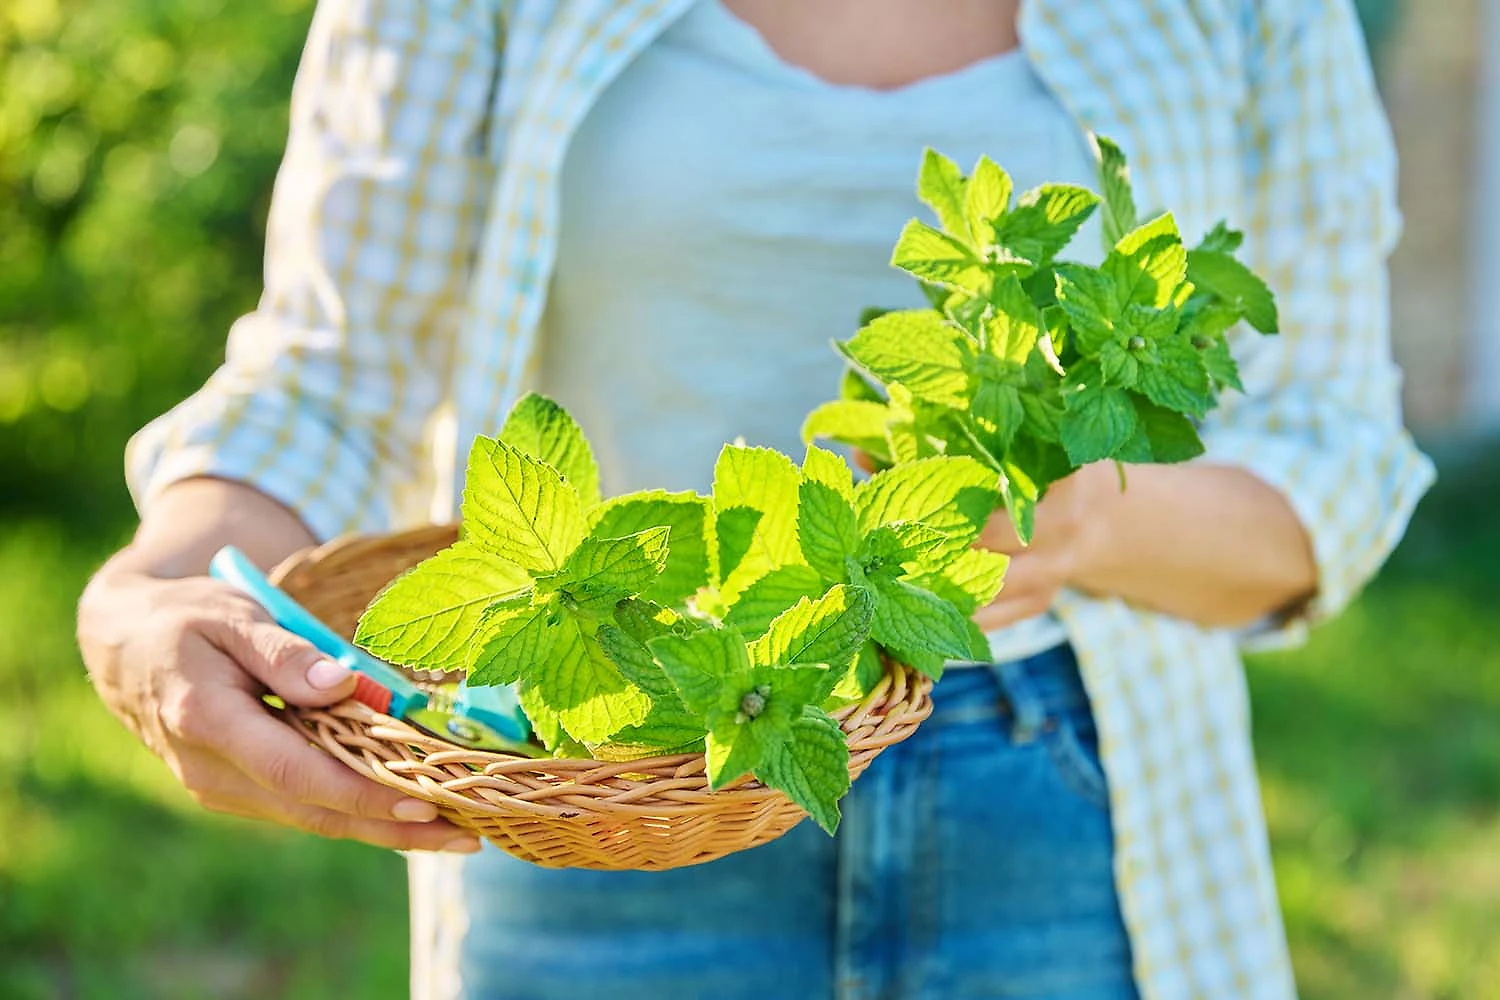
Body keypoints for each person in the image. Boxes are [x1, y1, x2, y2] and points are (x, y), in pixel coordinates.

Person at [76, 1, 1435, 997]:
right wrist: (159, 592)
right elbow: (332, 379)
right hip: (608, 779)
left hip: (1072, 799)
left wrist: (1091, 522)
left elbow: (1328, 456)